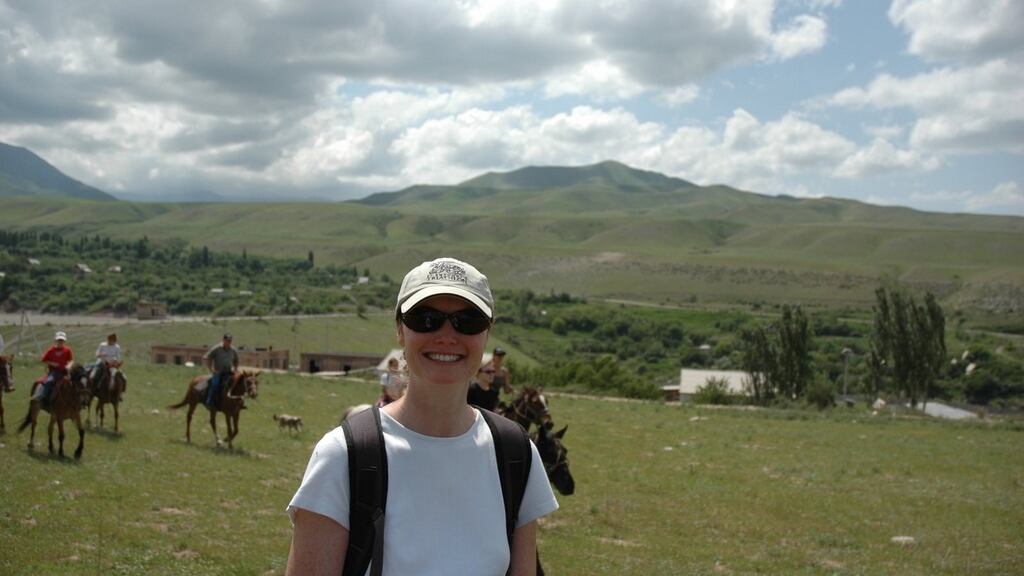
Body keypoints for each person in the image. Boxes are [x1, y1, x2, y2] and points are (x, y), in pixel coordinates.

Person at [286, 257, 558, 575]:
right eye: (426, 318)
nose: (447, 335)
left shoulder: (515, 454)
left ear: (487, 333)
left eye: (468, 320)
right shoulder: (344, 456)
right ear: (400, 330)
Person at [34, 331, 74, 408]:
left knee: (75, 382)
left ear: (64, 341)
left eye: (62, 340)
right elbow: (44, 360)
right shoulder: (51, 350)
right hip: (54, 372)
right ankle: (43, 398)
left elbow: (71, 360)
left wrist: (69, 365)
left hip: (65, 372)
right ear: (56, 340)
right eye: (59, 340)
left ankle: (77, 401)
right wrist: (53, 364)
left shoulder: (67, 350)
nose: (60, 342)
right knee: (49, 381)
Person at [203, 333, 238, 409]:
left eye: (230, 340)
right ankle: (209, 401)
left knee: (237, 383)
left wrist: (235, 369)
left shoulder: (233, 350)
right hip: (218, 372)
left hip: (229, 372)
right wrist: (211, 369)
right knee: (215, 384)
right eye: (227, 340)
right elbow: (207, 357)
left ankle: (237, 403)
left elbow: (236, 361)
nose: (229, 342)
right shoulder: (217, 348)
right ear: (223, 340)